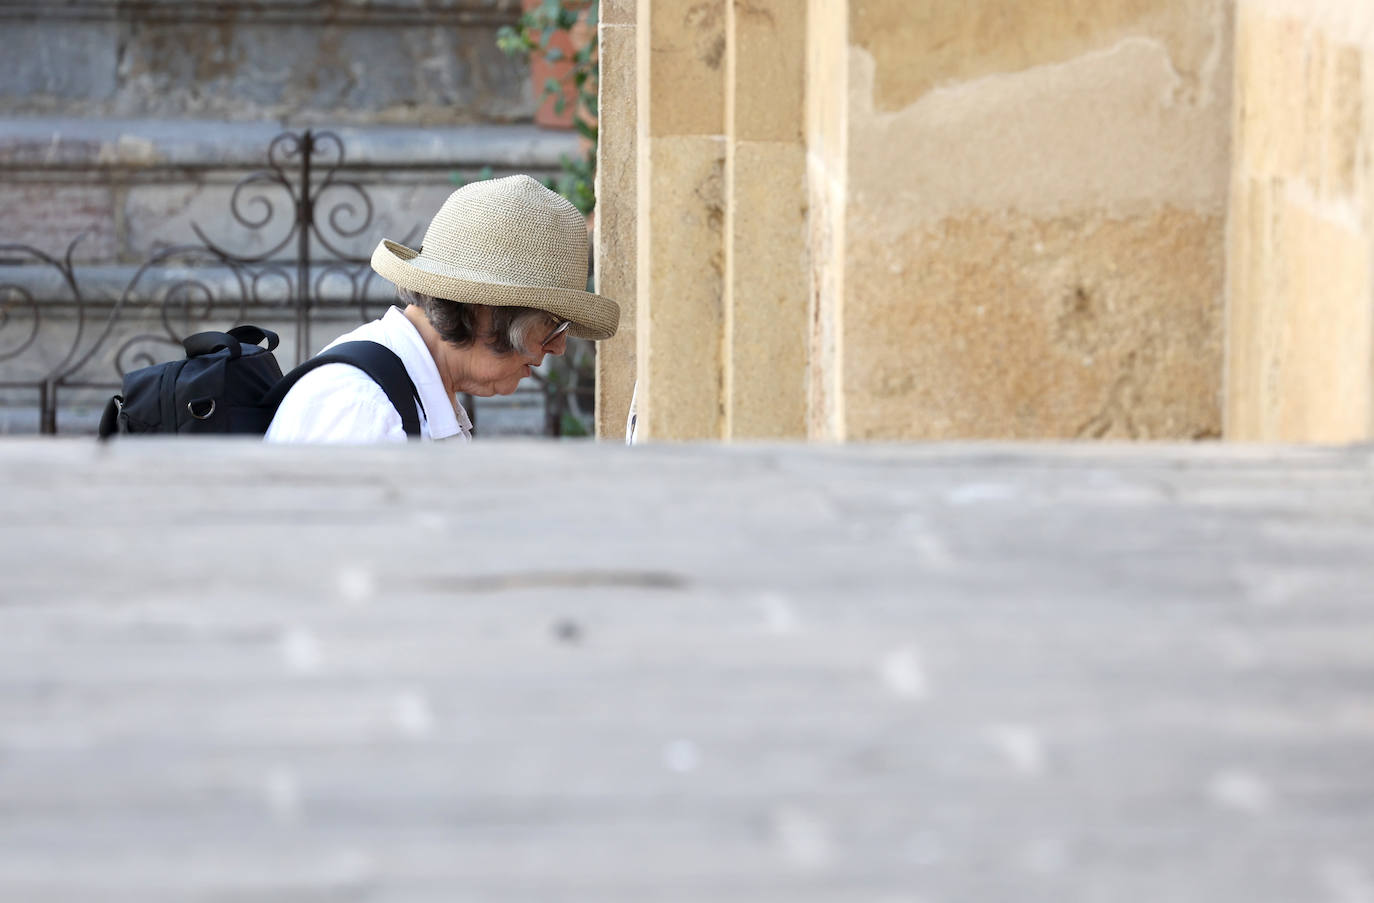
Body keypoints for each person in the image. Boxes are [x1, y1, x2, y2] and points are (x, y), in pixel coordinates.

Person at [265, 175, 619, 442]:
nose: (558, 347)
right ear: (486, 311)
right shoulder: (363, 410)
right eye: (553, 324)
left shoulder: (409, 391)